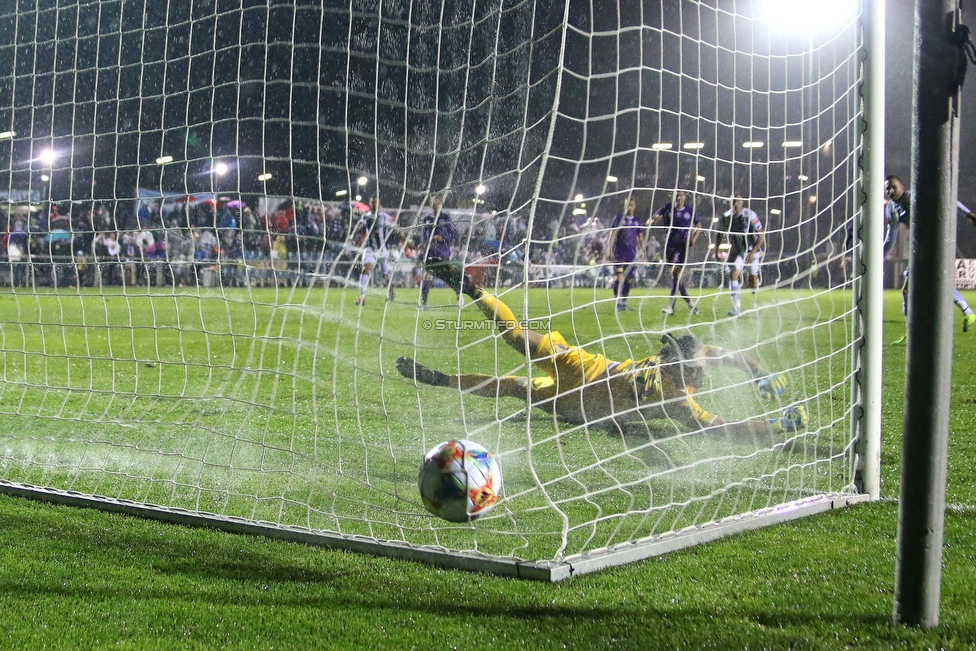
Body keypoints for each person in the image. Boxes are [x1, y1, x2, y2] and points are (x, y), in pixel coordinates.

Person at [398, 258, 804, 435]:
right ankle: (471, 288)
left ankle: (439, 378)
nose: (705, 366)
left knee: (514, 385)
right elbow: (721, 427)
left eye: (701, 361)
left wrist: (759, 372)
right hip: (586, 376)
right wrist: (773, 426)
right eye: (695, 366)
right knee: (519, 342)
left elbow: (728, 370)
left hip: (579, 404)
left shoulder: (689, 367)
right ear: (677, 370)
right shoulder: (674, 396)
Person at [884, 175, 976, 344]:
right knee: (919, 287)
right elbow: (891, 238)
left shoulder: (915, 197)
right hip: (921, 247)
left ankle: (913, 333)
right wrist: (879, 258)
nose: (890, 191)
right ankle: (968, 312)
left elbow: (947, 199)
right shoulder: (891, 208)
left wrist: (969, 215)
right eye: (887, 189)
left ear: (902, 187)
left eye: (893, 187)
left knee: (910, 288)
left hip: (937, 241)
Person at [650, 190, 703, 315]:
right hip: (669, 245)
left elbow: (699, 226)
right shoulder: (667, 208)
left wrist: (693, 239)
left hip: (682, 246)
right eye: (676, 195)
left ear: (685, 197)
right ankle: (690, 304)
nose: (678, 197)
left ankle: (671, 307)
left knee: (675, 273)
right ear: (673, 197)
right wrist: (654, 220)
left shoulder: (690, 210)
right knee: (675, 277)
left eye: (681, 195)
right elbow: (654, 218)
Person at [715, 194, 765, 317]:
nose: (736, 203)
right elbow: (720, 234)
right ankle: (737, 308)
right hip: (737, 251)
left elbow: (761, 236)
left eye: (738, 201)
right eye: (734, 201)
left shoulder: (750, 215)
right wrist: (717, 250)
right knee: (733, 274)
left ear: (742, 202)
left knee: (753, 284)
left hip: (751, 250)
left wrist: (753, 253)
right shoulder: (727, 217)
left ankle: (754, 279)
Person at [350, 197, 395, 305]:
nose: (374, 204)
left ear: (380, 204)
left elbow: (395, 228)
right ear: (370, 204)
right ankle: (361, 298)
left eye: (376, 202)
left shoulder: (385, 217)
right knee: (365, 269)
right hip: (370, 249)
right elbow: (360, 225)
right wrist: (353, 233)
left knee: (386, 275)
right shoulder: (366, 216)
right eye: (372, 202)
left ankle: (390, 288)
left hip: (382, 250)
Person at [419, 194, 459, 306]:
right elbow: (424, 235)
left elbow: (455, 234)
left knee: (447, 276)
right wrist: (423, 243)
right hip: (430, 251)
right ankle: (424, 303)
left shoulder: (446, 218)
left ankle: (458, 293)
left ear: (441, 202)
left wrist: (443, 238)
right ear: (430, 202)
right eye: (433, 200)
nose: (435, 202)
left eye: (437, 200)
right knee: (427, 276)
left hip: (443, 251)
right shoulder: (426, 219)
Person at [606, 197, 645, 312]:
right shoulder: (618, 218)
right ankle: (617, 302)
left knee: (629, 280)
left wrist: (643, 252)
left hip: (631, 255)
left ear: (634, 206)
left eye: (631, 205)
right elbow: (612, 234)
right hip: (619, 253)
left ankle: (623, 303)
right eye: (627, 205)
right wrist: (610, 250)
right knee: (619, 277)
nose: (629, 207)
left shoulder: (637, 221)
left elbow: (641, 238)